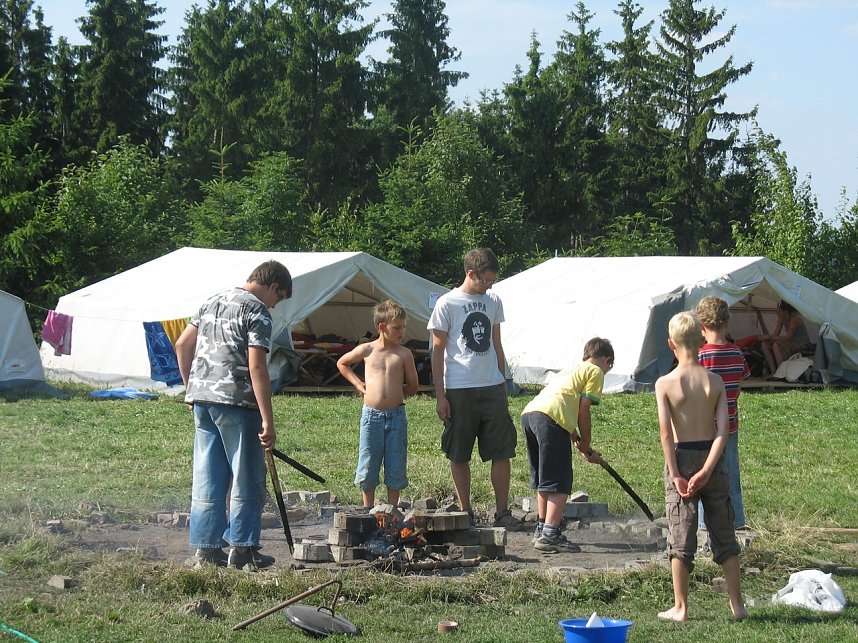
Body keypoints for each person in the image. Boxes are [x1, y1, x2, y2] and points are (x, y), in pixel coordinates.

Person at [175, 260, 292, 570]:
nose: (275, 305)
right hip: (237, 402)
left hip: (203, 399)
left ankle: (207, 548)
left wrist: (192, 387)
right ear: (272, 287)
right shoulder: (256, 311)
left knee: (208, 474)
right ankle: (241, 548)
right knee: (246, 476)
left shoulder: (211, 300)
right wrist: (268, 418)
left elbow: (182, 343)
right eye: (278, 298)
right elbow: (257, 366)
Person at [655, 312, 748, 622]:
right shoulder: (715, 381)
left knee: (681, 534)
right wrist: (708, 468)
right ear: (701, 340)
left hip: (681, 457)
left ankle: (681, 607)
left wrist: (677, 473)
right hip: (713, 457)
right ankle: (737, 605)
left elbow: (666, 433)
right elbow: (723, 430)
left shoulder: (665, 383)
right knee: (724, 531)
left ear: (671, 344)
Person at [427, 247, 518, 527]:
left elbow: (496, 343)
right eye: (485, 280)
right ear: (471, 274)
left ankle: (502, 511)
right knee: (459, 450)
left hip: (491, 386)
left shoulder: (493, 301)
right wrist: (440, 395)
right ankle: (466, 511)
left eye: (492, 281)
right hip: (459, 388)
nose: (489, 286)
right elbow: (437, 350)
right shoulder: (447, 303)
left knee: (502, 449)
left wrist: (502, 381)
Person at [520, 338, 613, 553]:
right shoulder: (595, 371)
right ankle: (551, 534)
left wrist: (577, 440)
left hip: (532, 415)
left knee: (545, 479)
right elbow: (583, 409)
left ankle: (542, 528)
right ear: (607, 360)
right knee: (559, 480)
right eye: (609, 368)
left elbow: (563, 403)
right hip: (551, 419)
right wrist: (587, 442)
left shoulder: (571, 370)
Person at [336, 300, 419, 508]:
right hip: (371, 416)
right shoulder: (367, 350)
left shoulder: (404, 354)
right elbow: (342, 363)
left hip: (396, 416)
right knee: (369, 458)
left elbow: (413, 384)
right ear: (382, 328)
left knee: (396, 460)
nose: (402, 331)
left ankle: (391, 509)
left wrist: (400, 394)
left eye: (403, 326)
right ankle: (367, 508)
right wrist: (358, 383)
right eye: (397, 327)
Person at [694, 296, 750, 529]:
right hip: (730, 426)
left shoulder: (700, 357)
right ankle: (736, 521)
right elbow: (736, 390)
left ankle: (702, 524)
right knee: (730, 475)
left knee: (702, 476)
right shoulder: (737, 354)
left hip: (703, 429)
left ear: (702, 327)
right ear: (727, 324)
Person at [758, 300, 810, 375]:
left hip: (801, 343)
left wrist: (768, 337)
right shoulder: (782, 320)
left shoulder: (795, 319)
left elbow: (787, 337)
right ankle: (773, 371)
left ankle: (781, 371)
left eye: (779, 312)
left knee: (776, 345)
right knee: (764, 344)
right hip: (790, 342)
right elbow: (775, 335)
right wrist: (767, 338)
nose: (778, 314)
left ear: (785, 312)